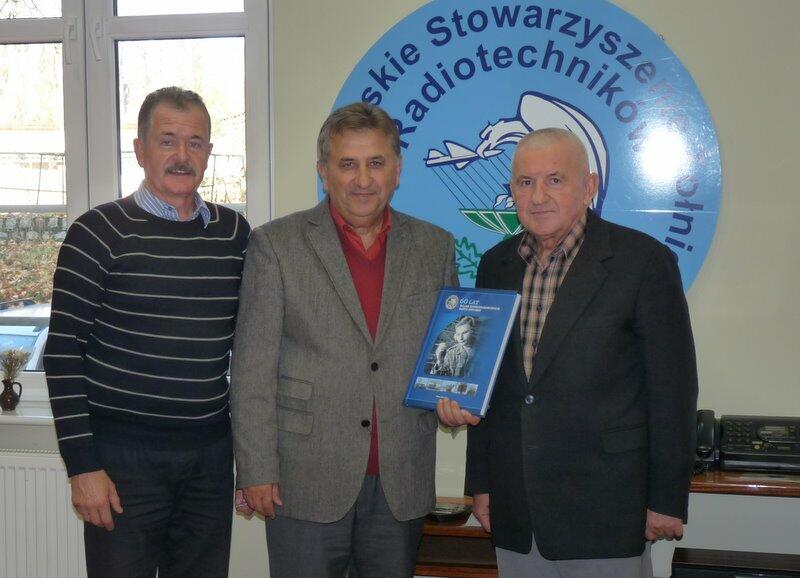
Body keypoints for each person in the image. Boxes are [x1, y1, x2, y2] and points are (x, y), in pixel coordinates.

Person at [437, 128, 698, 578]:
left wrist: (667, 499)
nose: (538, 196)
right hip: (516, 509)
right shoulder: (495, 264)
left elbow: (673, 391)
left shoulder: (642, 262)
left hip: (608, 508)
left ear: (589, 186)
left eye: (555, 180)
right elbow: (490, 386)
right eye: (525, 182)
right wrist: (481, 484)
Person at [230, 102, 458, 578]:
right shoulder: (276, 245)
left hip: (400, 478)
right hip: (304, 479)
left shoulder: (435, 246)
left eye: (376, 163)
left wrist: (456, 395)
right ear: (323, 171)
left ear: (397, 170)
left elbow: (448, 354)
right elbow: (251, 371)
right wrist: (255, 470)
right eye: (347, 164)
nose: (363, 180)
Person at [44, 86, 251, 578]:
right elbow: (63, 354)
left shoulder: (235, 235)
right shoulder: (97, 232)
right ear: (140, 150)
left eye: (195, 143)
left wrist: (251, 461)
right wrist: (82, 466)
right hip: (122, 462)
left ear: (208, 152)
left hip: (209, 459)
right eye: (167, 141)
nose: (182, 156)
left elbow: (251, 353)